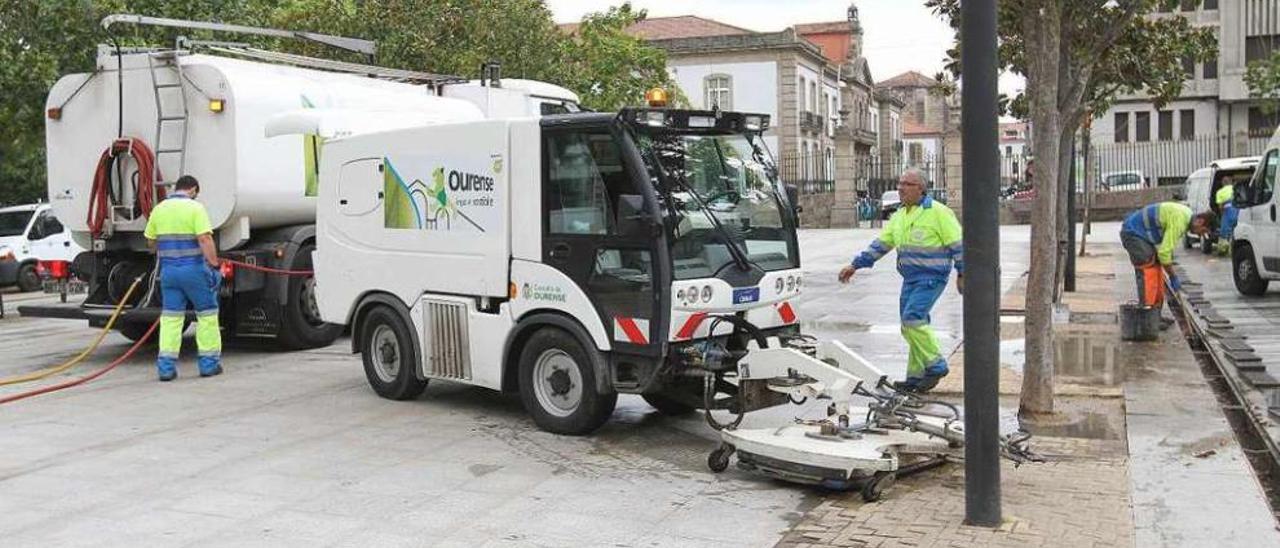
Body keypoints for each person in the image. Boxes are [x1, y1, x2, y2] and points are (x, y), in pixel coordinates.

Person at [839, 169, 963, 393]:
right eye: (900, 183)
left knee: (912, 319)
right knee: (909, 327)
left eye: (907, 184)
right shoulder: (899, 215)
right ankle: (915, 377)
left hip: (931, 278)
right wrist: (855, 265)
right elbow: (881, 245)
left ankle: (936, 365)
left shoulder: (939, 212)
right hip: (910, 278)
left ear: (921, 189)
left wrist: (963, 273)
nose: (901, 188)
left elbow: (957, 245)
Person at [143, 175, 223, 381]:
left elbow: (150, 242)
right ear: (193, 190)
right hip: (194, 271)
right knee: (207, 315)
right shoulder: (195, 209)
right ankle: (208, 364)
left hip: (169, 273)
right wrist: (214, 265)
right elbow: (204, 238)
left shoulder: (159, 209)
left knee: (171, 318)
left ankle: (166, 367)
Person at [1119, 202, 1214, 311]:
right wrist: (1173, 276)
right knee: (1148, 268)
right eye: (1203, 231)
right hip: (1133, 233)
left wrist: (1168, 264)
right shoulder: (1180, 221)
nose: (1199, 235)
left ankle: (1155, 314)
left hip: (1140, 234)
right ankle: (1146, 313)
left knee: (1157, 267)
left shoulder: (1187, 215)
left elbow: (1165, 249)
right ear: (1200, 221)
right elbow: (1164, 253)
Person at [1216, 181, 1239, 248]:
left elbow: (1220, 207)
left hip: (1228, 213)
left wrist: (1222, 216)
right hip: (1238, 211)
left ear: (1222, 184)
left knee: (1225, 233)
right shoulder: (1235, 188)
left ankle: (1226, 248)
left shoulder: (1219, 192)